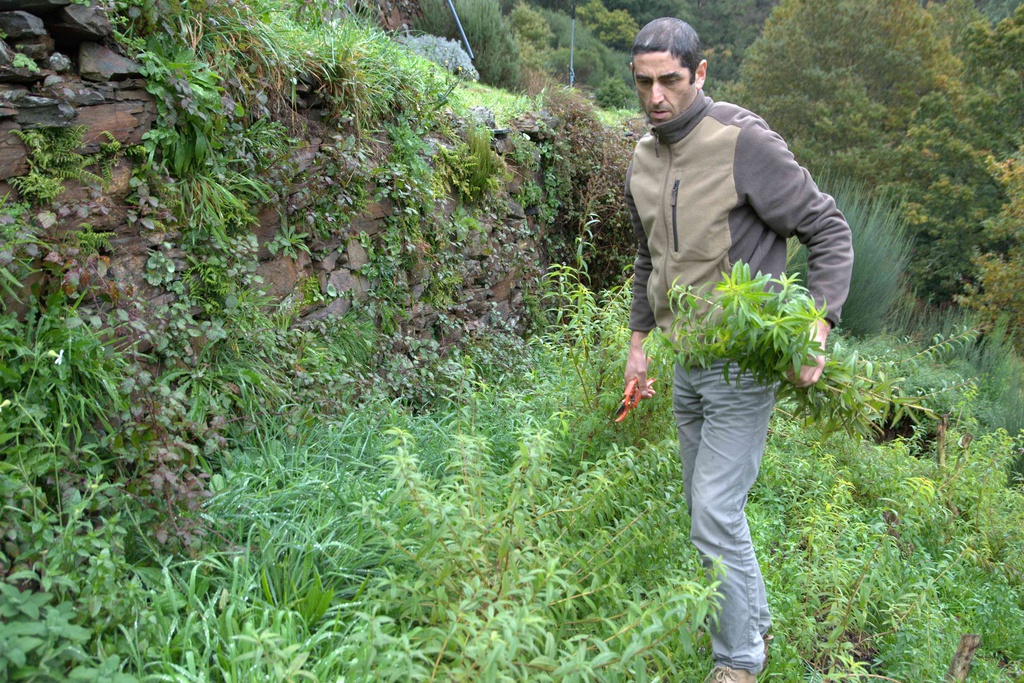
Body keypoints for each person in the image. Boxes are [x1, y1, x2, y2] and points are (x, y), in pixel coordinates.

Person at [622, 17, 854, 683]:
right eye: (645, 82)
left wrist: (819, 321)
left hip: (743, 364)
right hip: (685, 363)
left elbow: (827, 226)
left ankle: (740, 661)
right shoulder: (645, 157)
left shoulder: (741, 141)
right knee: (708, 511)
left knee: (715, 513)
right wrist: (639, 345)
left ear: (700, 73)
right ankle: (748, 620)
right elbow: (650, 258)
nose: (657, 95)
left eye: (671, 80)